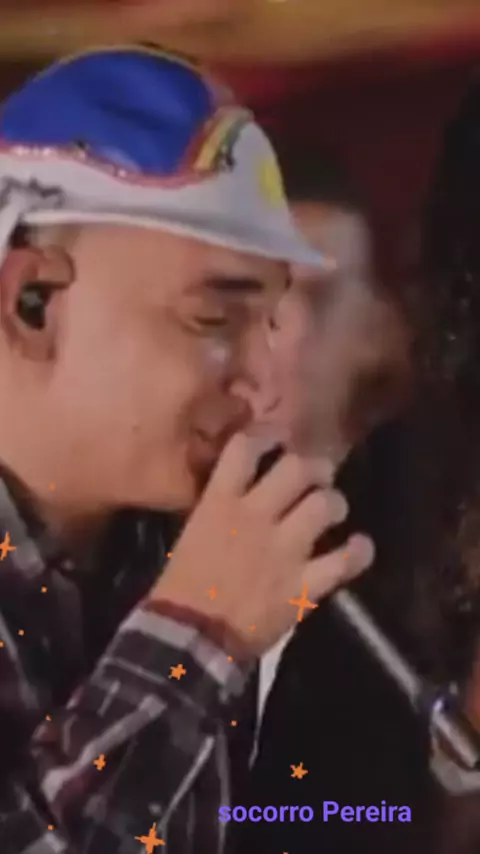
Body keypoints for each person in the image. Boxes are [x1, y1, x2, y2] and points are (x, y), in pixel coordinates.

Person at [0, 46, 375, 854]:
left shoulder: (166, 550)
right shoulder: (205, 594)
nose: (265, 386)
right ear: (33, 301)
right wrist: (201, 634)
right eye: (212, 320)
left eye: (267, 321)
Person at [229, 143, 420, 854]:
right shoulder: (128, 545)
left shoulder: (426, 535)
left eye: (318, 297)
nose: (287, 336)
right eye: (246, 295)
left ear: (384, 330)